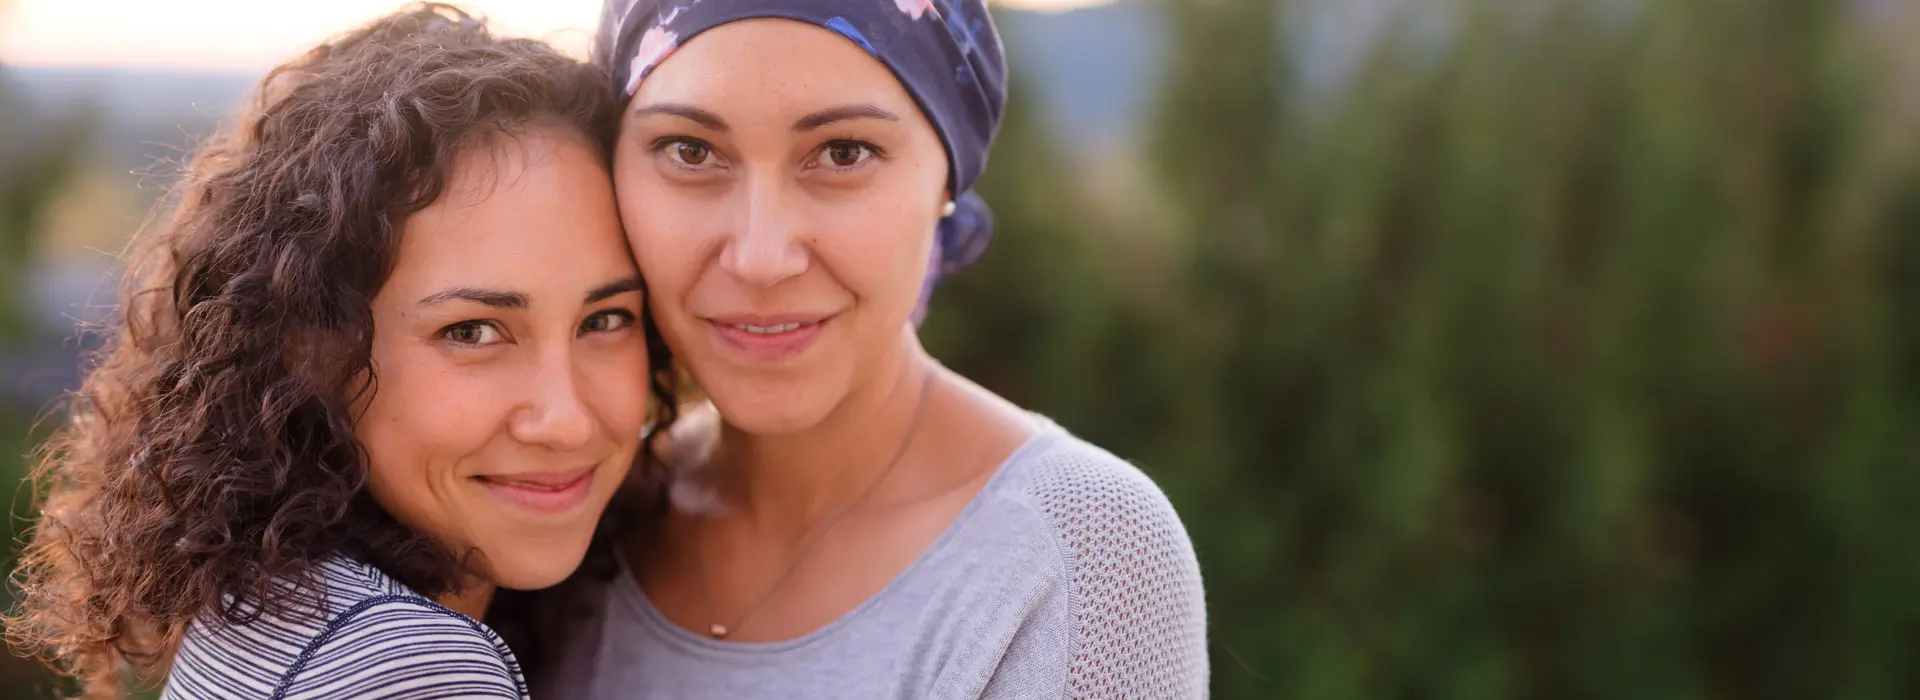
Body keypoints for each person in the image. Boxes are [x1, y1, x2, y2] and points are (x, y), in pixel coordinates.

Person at [541, 1, 1210, 697]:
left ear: (945, 182)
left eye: (842, 153)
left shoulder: (1079, 555)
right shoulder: (570, 516)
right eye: (691, 151)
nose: (761, 256)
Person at [4, 5, 673, 698]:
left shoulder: (277, 608)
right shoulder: (406, 667)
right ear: (307, 345)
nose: (565, 419)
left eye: (606, 319)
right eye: (471, 331)